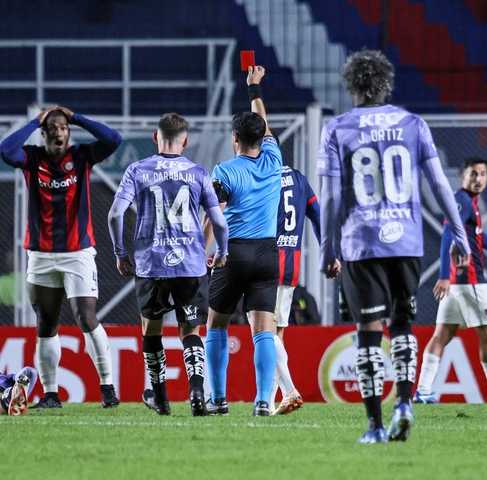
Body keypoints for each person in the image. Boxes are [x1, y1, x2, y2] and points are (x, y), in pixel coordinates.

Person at [317, 49, 472, 443]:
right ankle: (404, 404)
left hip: (361, 241)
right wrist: (459, 233)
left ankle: (374, 426)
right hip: (406, 240)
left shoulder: (337, 128)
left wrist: (327, 248)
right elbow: (439, 184)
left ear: (351, 85)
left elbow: (332, 197)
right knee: (402, 324)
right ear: (386, 83)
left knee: (368, 329)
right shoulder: (412, 123)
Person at [0, 104, 122, 409]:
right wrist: (34, 122)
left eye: (63, 128)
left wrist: (77, 117)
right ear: (44, 134)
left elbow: (114, 140)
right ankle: (51, 393)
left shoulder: (81, 156)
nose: (58, 132)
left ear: (69, 133)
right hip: (41, 254)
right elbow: (5, 151)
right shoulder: (32, 158)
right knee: (45, 321)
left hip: (77, 253)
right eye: (52, 128)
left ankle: (107, 387)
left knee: (85, 317)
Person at [108, 112, 229, 416]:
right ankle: (198, 395)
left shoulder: (138, 169)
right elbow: (218, 221)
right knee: (191, 331)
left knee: (152, 331)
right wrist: (222, 250)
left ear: (155, 138)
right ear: (185, 141)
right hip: (191, 264)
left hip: (152, 265)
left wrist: (120, 253)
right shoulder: (198, 172)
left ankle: (160, 399)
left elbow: (114, 215)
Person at [415, 157, 487, 405]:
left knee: (442, 335)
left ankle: (423, 391)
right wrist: (444, 276)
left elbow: (479, 236)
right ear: (463, 177)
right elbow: (447, 233)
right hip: (471, 282)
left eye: (483, 174)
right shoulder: (462, 201)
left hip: (460, 284)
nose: (479, 179)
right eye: (474, 174)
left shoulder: (469, 203)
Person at [203, 65, 281, 417]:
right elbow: (263, 122)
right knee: (264, 327)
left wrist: (208, 249)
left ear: (235, 137)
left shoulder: (225, 171)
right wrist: (255, 89)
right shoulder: (274, 159)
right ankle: (263, 399)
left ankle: (217, 399)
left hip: (234, 252)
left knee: (216, 323)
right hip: (267, 252)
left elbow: (215, 213)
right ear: (262, 137)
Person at [268, 164, 334, 415]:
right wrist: (329, 253)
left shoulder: (263, 176)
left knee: (264, 332)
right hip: (291, 266)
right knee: (277, 335)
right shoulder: (298, 178)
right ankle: (268, 402)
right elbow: (317, 215)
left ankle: (287, 391)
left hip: (266, 263)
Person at [0, 250, 20, 325]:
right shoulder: (0, 281)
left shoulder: (28, 280)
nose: (11, 261)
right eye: (9, 259)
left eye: (13, 258)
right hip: (6, 321)